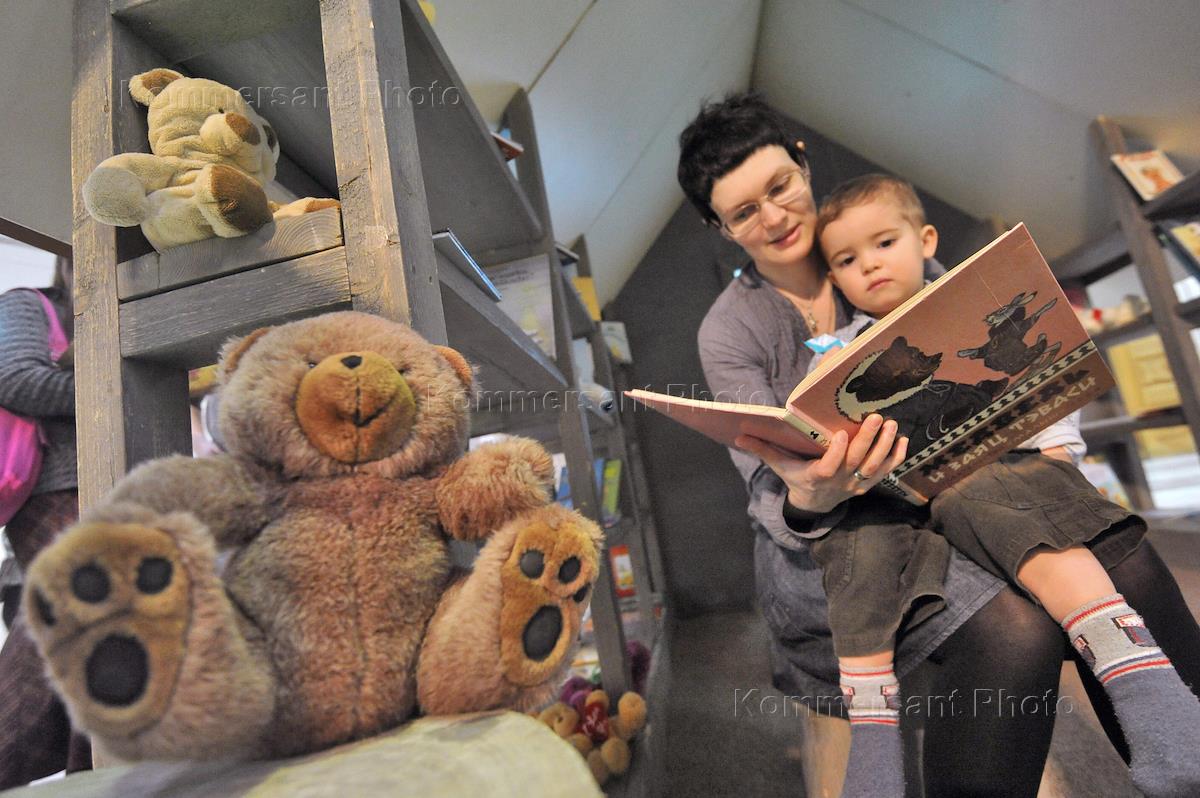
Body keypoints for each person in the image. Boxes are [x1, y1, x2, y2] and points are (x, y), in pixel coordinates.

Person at [681, 92, 1200, 797]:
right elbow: (770, 492)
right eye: (744, 212)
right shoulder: (730, 330)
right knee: (1016, 632)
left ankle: (1180, 751)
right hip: (841, 541)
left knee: (1126, 556)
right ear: (718, 226)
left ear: (802, 163)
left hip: (970, 491)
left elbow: (988, 357)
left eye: (779, 187)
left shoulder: (871, 233)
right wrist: (815, 494)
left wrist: (1047, 442)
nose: (774, 217)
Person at [806, 172, 1200, 798]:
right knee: (853, 540)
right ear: (834, 277)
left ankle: (1133, 671)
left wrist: (1057, 455)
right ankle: (874, 729)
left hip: (998, 476)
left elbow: (1045, 389)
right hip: (894, 504)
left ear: (925, 240)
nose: (870, 265)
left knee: (988, 483)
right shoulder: (836, 353)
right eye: (848, 260)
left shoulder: (970, 306)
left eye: (884, 243)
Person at [0, 256, 92, 787]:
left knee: (99, 624)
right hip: (53, 489)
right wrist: (111, 382)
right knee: (66, 605)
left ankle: (89, 772)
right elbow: (13, 378)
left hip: (111, 486)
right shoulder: (28, 304)